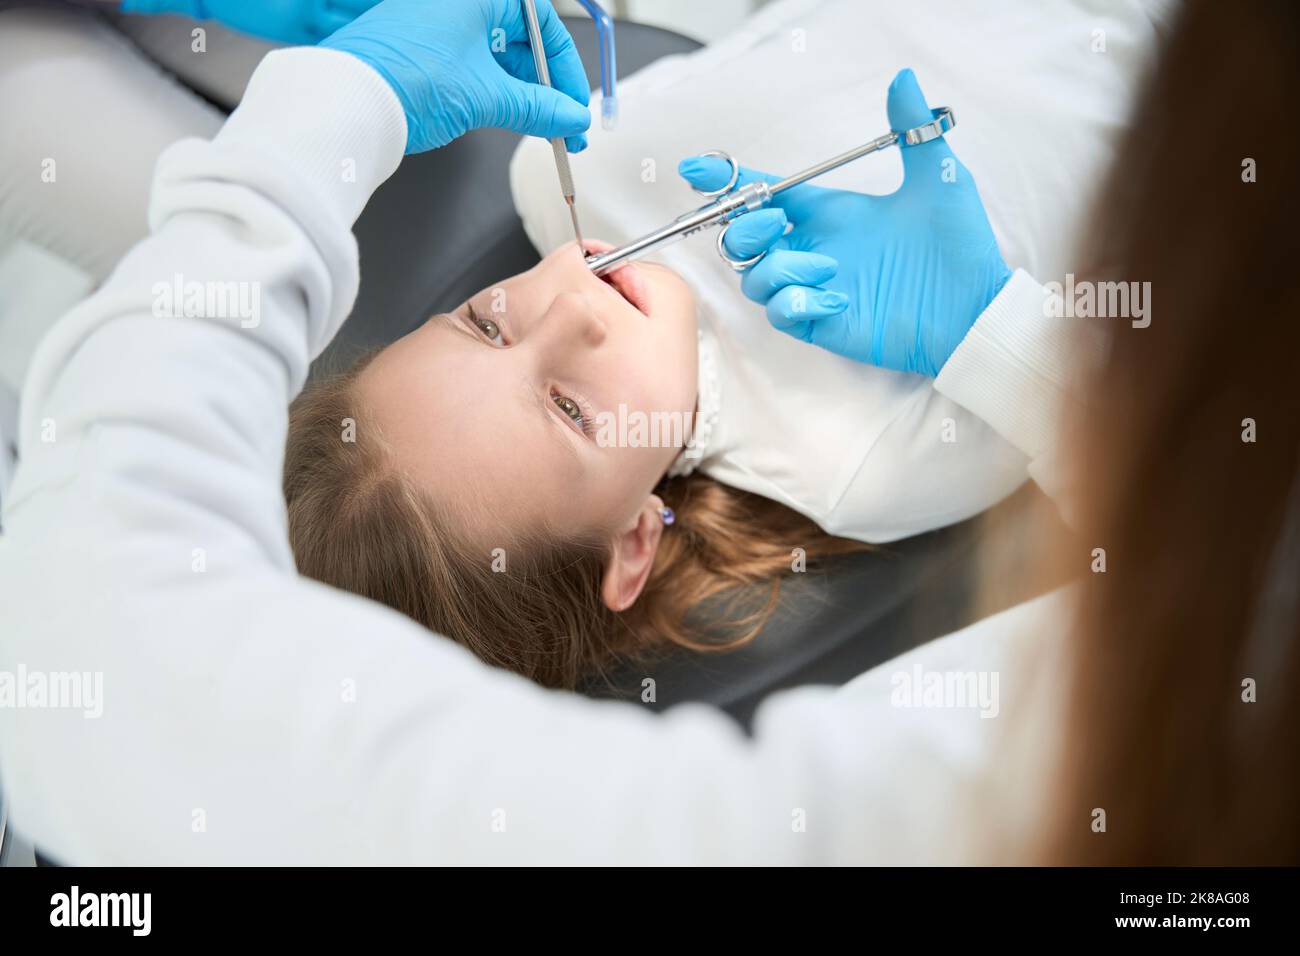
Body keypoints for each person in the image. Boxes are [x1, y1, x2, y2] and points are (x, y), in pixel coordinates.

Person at [0, 0, 1293, 866]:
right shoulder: (858, 456)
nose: (570, 298)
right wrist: (981, 331)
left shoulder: (548, 169)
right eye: (570, 408)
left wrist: (346, 91)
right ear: (633, 542)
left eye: (488, 323)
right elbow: (1189, 486)